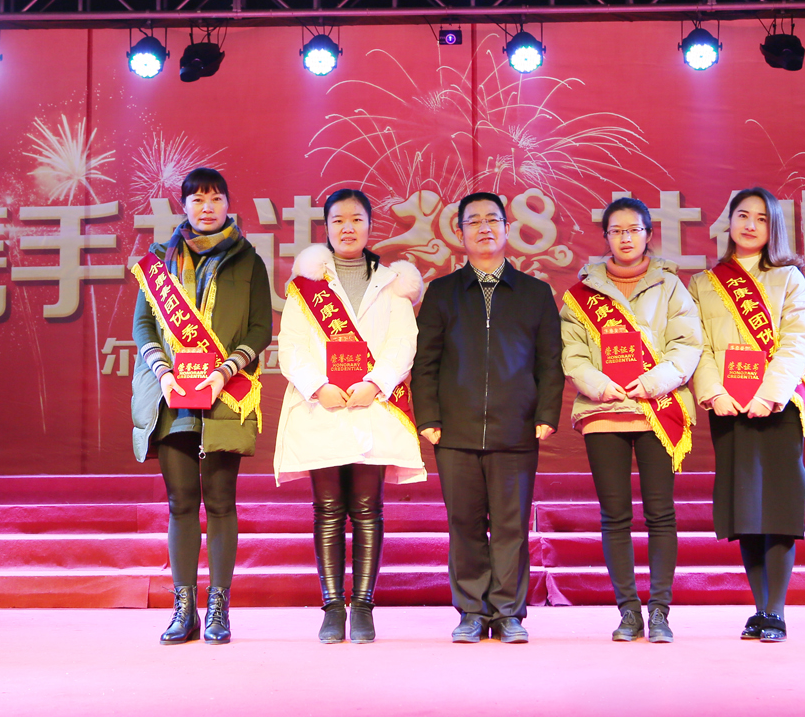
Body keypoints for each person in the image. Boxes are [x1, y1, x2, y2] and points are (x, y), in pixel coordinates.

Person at [274, 188, 427, 644]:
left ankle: (362, 605)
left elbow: (403, 343)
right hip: (322, 405)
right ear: (325, 227)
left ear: (370, 226)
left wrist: (376, 383)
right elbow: (291, 346)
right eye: (338, 220)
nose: (347, 228)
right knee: (327, 509)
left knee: (366, 509)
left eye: (357, 219)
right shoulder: (307, 286)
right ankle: (332, 607)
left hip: (372, 405)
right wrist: (318, 386)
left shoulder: (393, 284)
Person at [412, 192, 564, 644]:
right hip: (454, 429)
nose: (484, 228)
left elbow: (549, 361)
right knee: (464, 524)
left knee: (511, 525)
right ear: (459, 232)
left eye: (492, 220)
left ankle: (509, 612)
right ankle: (472, 612)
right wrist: (428, 416)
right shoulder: (442, 292)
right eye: (473, 221)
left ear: (507, 228)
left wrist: (546, 412)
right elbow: (425, 361)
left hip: (516, 426)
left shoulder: (535, 293)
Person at [130, 167, 271, 645]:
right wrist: (165, 374)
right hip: (171, 398)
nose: (206, 207)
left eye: (215, 198)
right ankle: (184, 609)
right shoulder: (158, 261)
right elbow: (143, 326)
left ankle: (219, 610)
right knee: (181, 502)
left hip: (224, 395)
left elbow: (260, 328)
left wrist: (224, 371)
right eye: (197, 199)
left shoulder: (248, 260)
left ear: (228, 204)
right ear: (184, 206)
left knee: (221, 502)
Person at [560, 197, 702, 643]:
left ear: (648, 234)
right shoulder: (581, 294)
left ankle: (659, 611)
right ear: (606, 236)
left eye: (634, 229)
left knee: (661, 514)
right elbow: (572, 353)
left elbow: (687, 345)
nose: (625, 238)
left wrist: (654, 382)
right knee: (615, 515)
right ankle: (628, 612)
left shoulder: (671, 286)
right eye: (617, 230)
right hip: (604, 411)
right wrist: (600, 385)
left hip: (658, 410)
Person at [687, 187, 805, 643]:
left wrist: (769, 395)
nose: (750, 225)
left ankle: (776, 612)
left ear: (774, 228)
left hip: (779, 409)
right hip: (729, 408)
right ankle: (760, 608)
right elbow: (698, 346)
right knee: (745, 509)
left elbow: (797, 343)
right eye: (743, 215)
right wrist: (713, 393)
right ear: (728, 222)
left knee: (778, 509)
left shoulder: (789, 279)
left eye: (762, 219)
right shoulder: (704, 284)